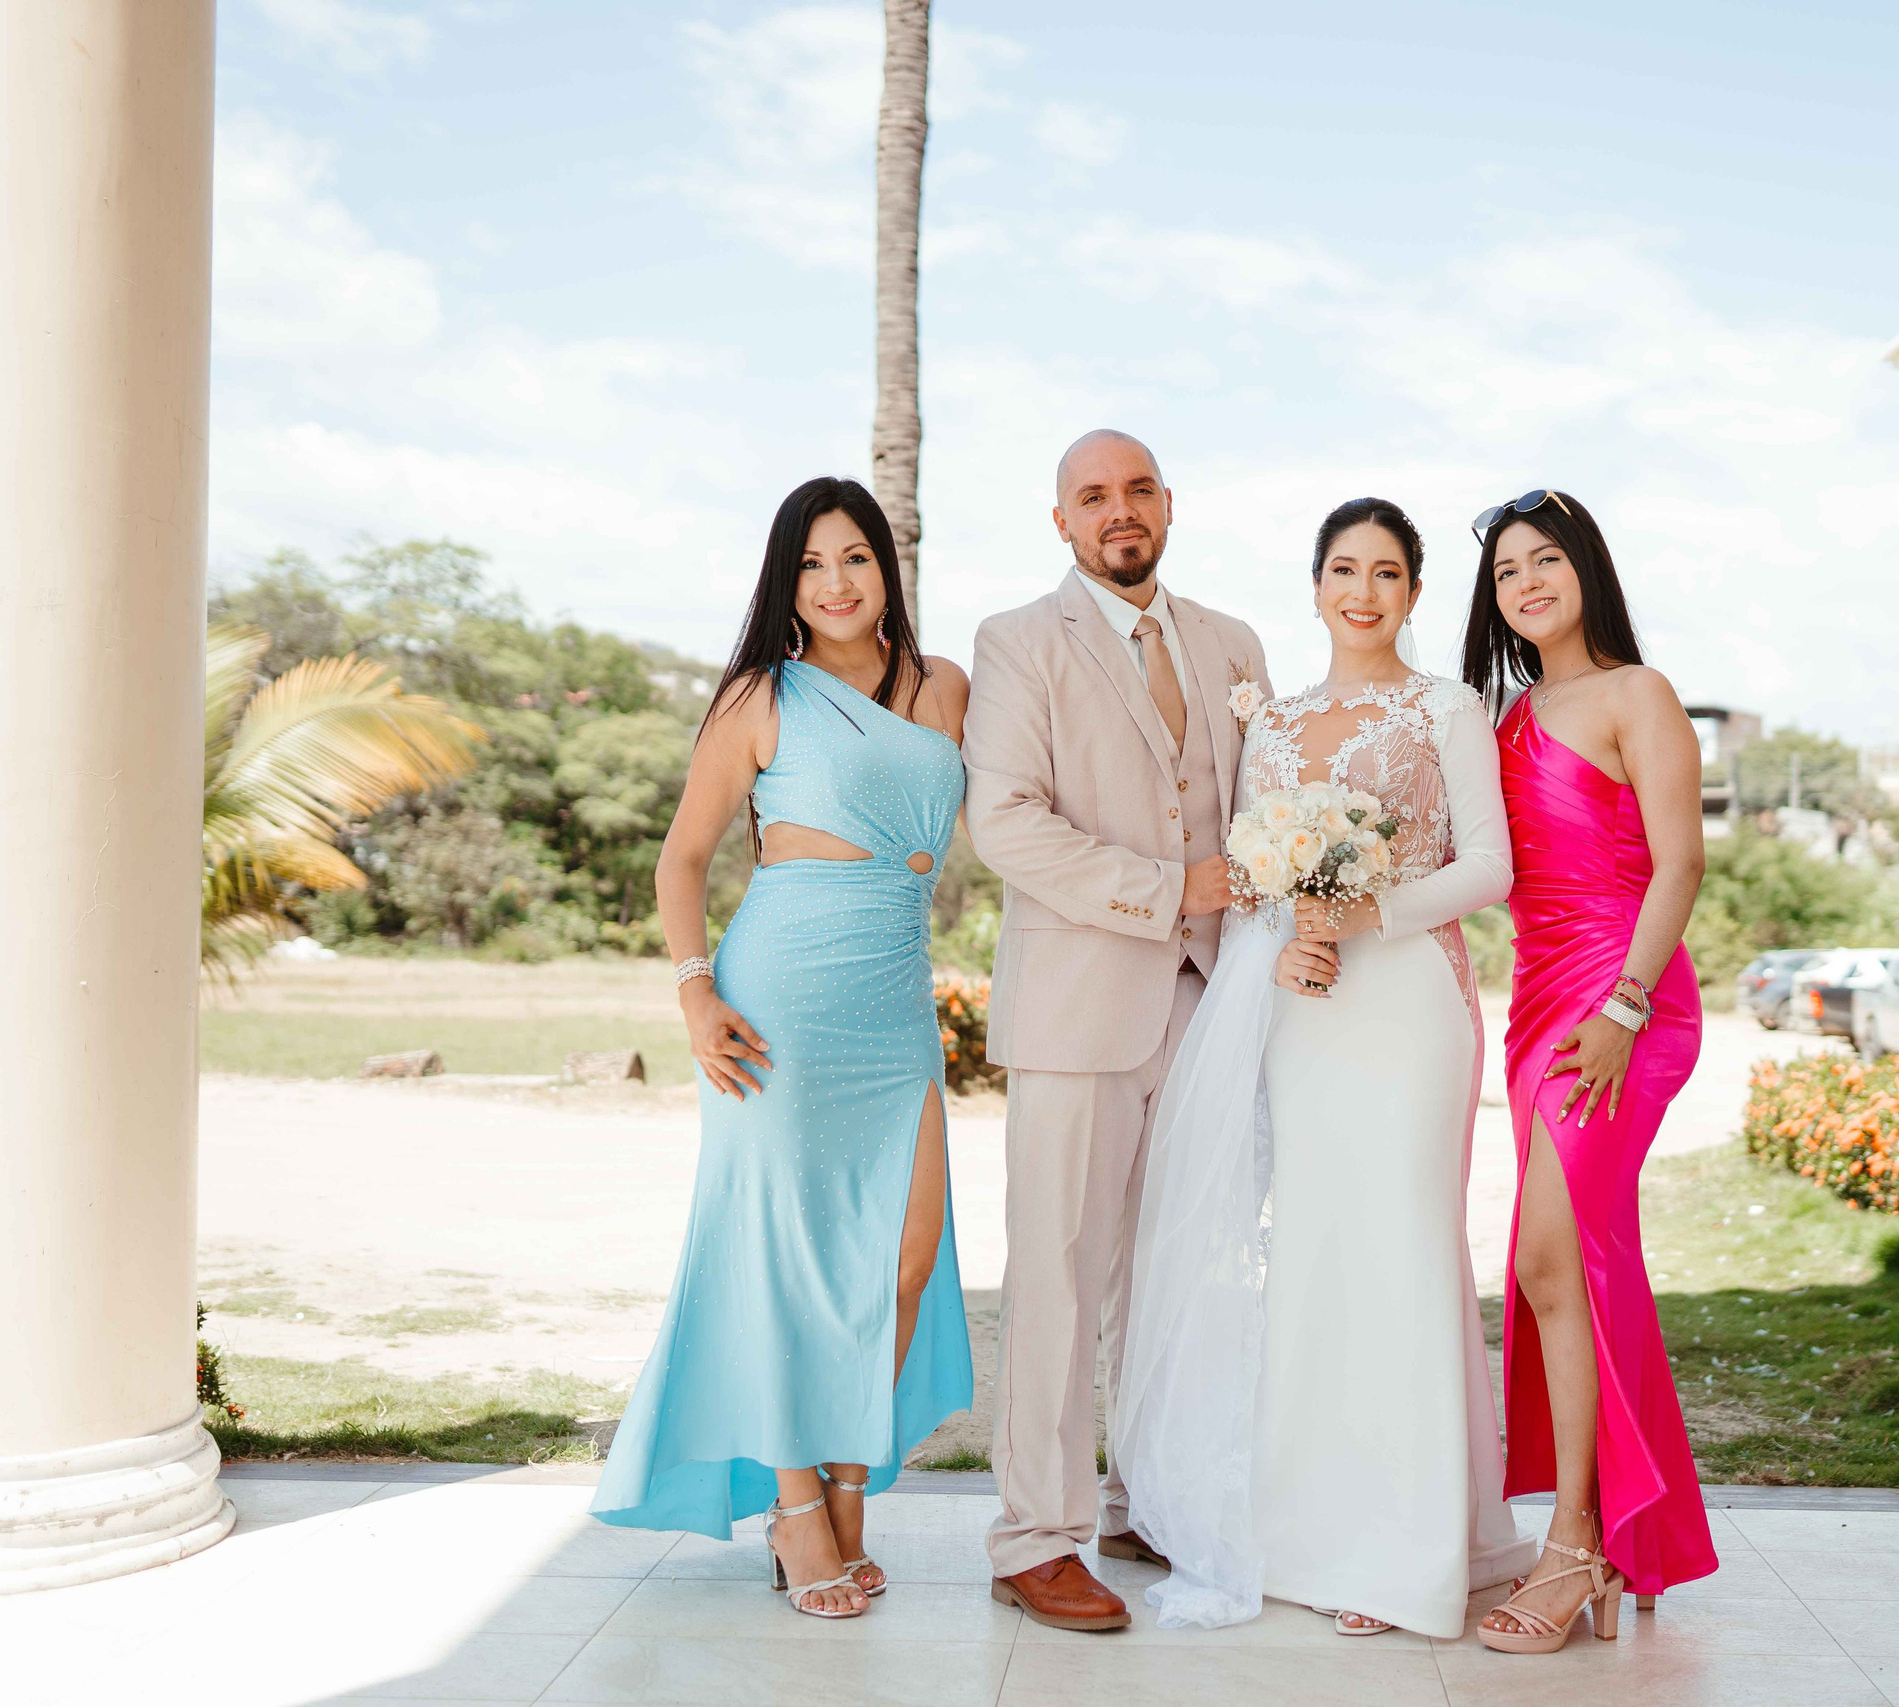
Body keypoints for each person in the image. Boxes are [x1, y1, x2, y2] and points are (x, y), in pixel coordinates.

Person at [1113, 498, 1540, 1638]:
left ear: (1411, 593)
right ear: (1315, 587)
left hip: (1406, 1008)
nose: (1363, 591)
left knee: (1402, 1251)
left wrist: (1365, 915)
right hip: (1301, 1013)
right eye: (1343, 570)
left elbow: (1489, 866)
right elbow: (1257, 875)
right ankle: (1311, 1538)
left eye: (1387, 573)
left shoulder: (1446, 706)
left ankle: (1406, 1556)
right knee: (1313, 1256)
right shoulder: (1275, 719)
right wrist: (1291, 927)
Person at [590, 477, 976, 1621]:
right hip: (780, 995)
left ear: (885, 567)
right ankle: (799, 1507)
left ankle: (850, 1478)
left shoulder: (945, 686)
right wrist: (695, 995)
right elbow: (681, 860)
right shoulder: (761, 695)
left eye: (855, 557)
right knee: (784, 1260)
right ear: (785, 582)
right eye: (812, 565)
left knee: (903, 1261)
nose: (837, 582)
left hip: (894, 996)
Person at [963, 430, 1273, 1632]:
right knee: (1058, 1272)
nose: (1119, 511)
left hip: (1209, 1002)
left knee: (1173, 1270)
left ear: (1169, 505)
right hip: (1079, 1005)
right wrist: (1168, 886)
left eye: (1138, 489)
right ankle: (1034, 1537)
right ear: (1062, 522)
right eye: (1093, 496)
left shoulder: (1233, 642)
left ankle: (1152, 1494)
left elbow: (1264, 802)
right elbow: (1007, 823)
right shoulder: (1017, 643)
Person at [1460, 489, 1721, 1654]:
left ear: (1586, 571)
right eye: (1507, 571)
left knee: (1550, 1259)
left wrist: (1621, 1006)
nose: (1525, 583)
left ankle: (1578, 1540)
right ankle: (1623, 1536)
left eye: (1544, 560)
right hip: (1539, 1010)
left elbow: (1680, 863)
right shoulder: (1503, 719)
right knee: (1576, 1267)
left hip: (1626, 1002)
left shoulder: (1637, 694)